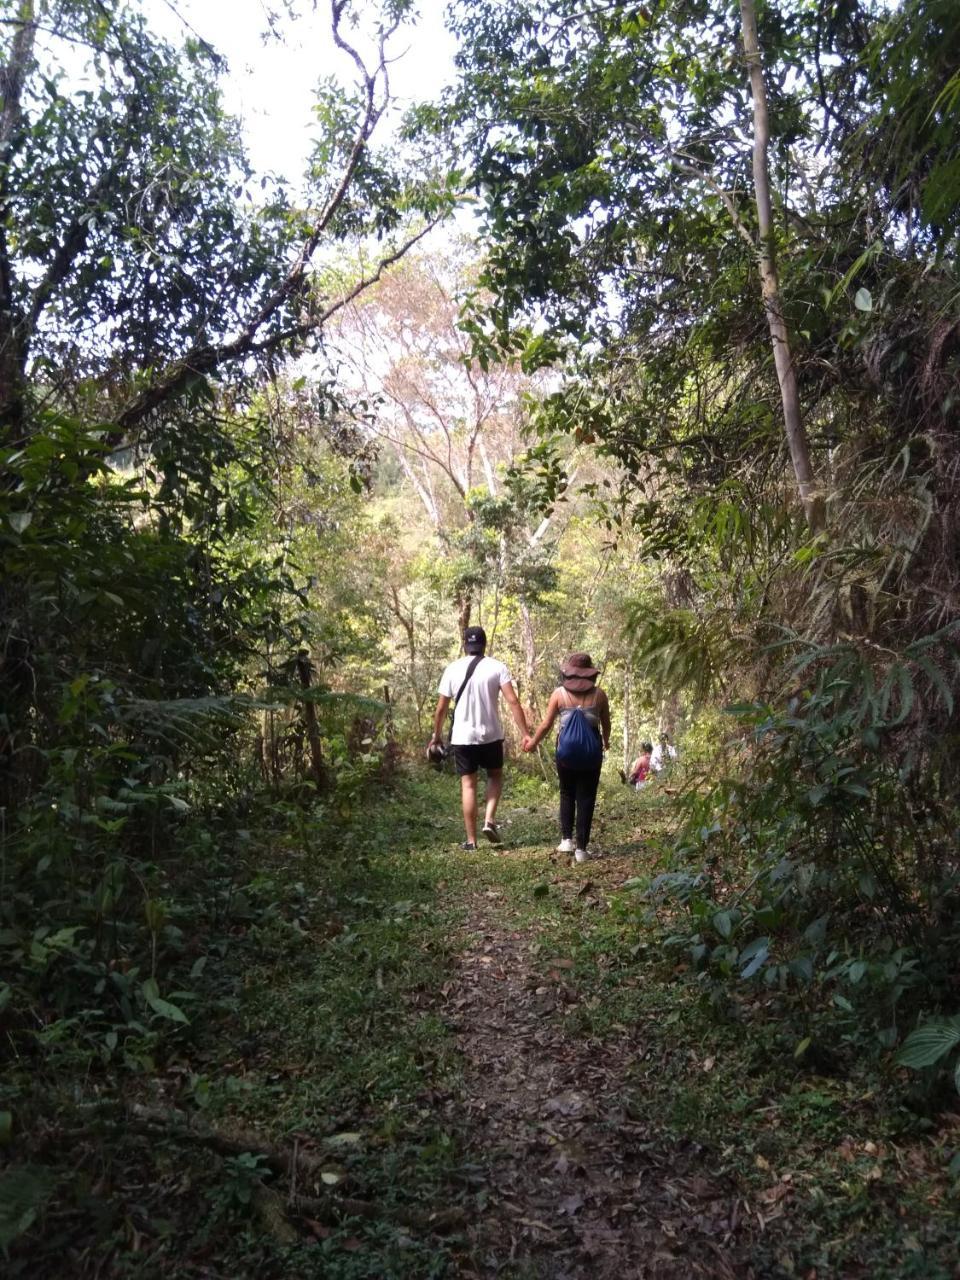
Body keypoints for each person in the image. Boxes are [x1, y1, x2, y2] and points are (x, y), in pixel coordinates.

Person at [428, 625, 531, 851]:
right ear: (484, 644)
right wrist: (525, 733)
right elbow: (513, 701)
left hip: (462, 737)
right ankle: (489, 820)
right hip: (491, 734)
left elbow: (441, 709)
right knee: (495, 776)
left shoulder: (452, 669)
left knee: (468, 785)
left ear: (465, 644)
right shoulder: (497, 667)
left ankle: (471, 841)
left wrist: (436, 737)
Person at [522, 652, 611, 863]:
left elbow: (546, 725)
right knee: (587, 797)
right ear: (590, 673)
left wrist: (533, 742)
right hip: (591, 754)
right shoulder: (600, 695)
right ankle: (581, 849)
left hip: (566, 754)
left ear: (569, 673)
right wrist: (606, 742)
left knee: (566, 792)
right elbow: (606, 724)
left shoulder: (559, 694)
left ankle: (566, 840)